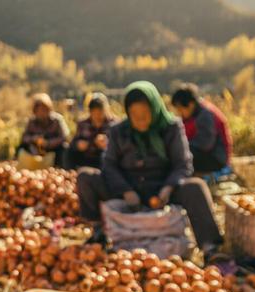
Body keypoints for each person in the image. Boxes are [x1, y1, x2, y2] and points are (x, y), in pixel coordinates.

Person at [76, 81, 223, 259]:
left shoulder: (171, 127)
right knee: (85, 176)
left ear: (154, 108)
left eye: (145, 114)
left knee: (195, 187)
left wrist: (168, 188)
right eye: (134, 115)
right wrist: (126, 190)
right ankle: (99, 232)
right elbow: (109, 165)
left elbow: (182, 164)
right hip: (127, 187)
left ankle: (210, 247)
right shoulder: (118, 131)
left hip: (161, 187)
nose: (140, 121)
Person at [171, 83, 233, 174]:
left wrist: (180, 146)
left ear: (190, 104)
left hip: (216, 159)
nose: (179, 113)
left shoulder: (205, 115)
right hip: (208, 155)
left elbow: (205, 144)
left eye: (180, 109)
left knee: (180, 155)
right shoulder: (195, 113)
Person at [18, 93, 70, 168]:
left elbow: (64, 137)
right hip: (35, 150)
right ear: (35, 111)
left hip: (53, 149)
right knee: (22, 147)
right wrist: (34, 139)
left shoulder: (57, 120)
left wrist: (48, 143)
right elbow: (24, 137)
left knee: (65, 147)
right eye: (38, 110)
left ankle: (60, 169)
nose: (41, 112)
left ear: (49, 109)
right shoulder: (31, 121)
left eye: (43, 109)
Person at [66, 93, 117, 170]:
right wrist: (78, 144)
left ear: (106, 110)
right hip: (86, 157)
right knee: (67, 150)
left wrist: (107, 145)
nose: (97, 115)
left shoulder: (114, 124)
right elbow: (73, 142)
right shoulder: (83, 123)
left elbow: (121, 147)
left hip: (103, 159)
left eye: (100, 112)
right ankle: (70, 173)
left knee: (106, 155)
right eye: (94, 112)